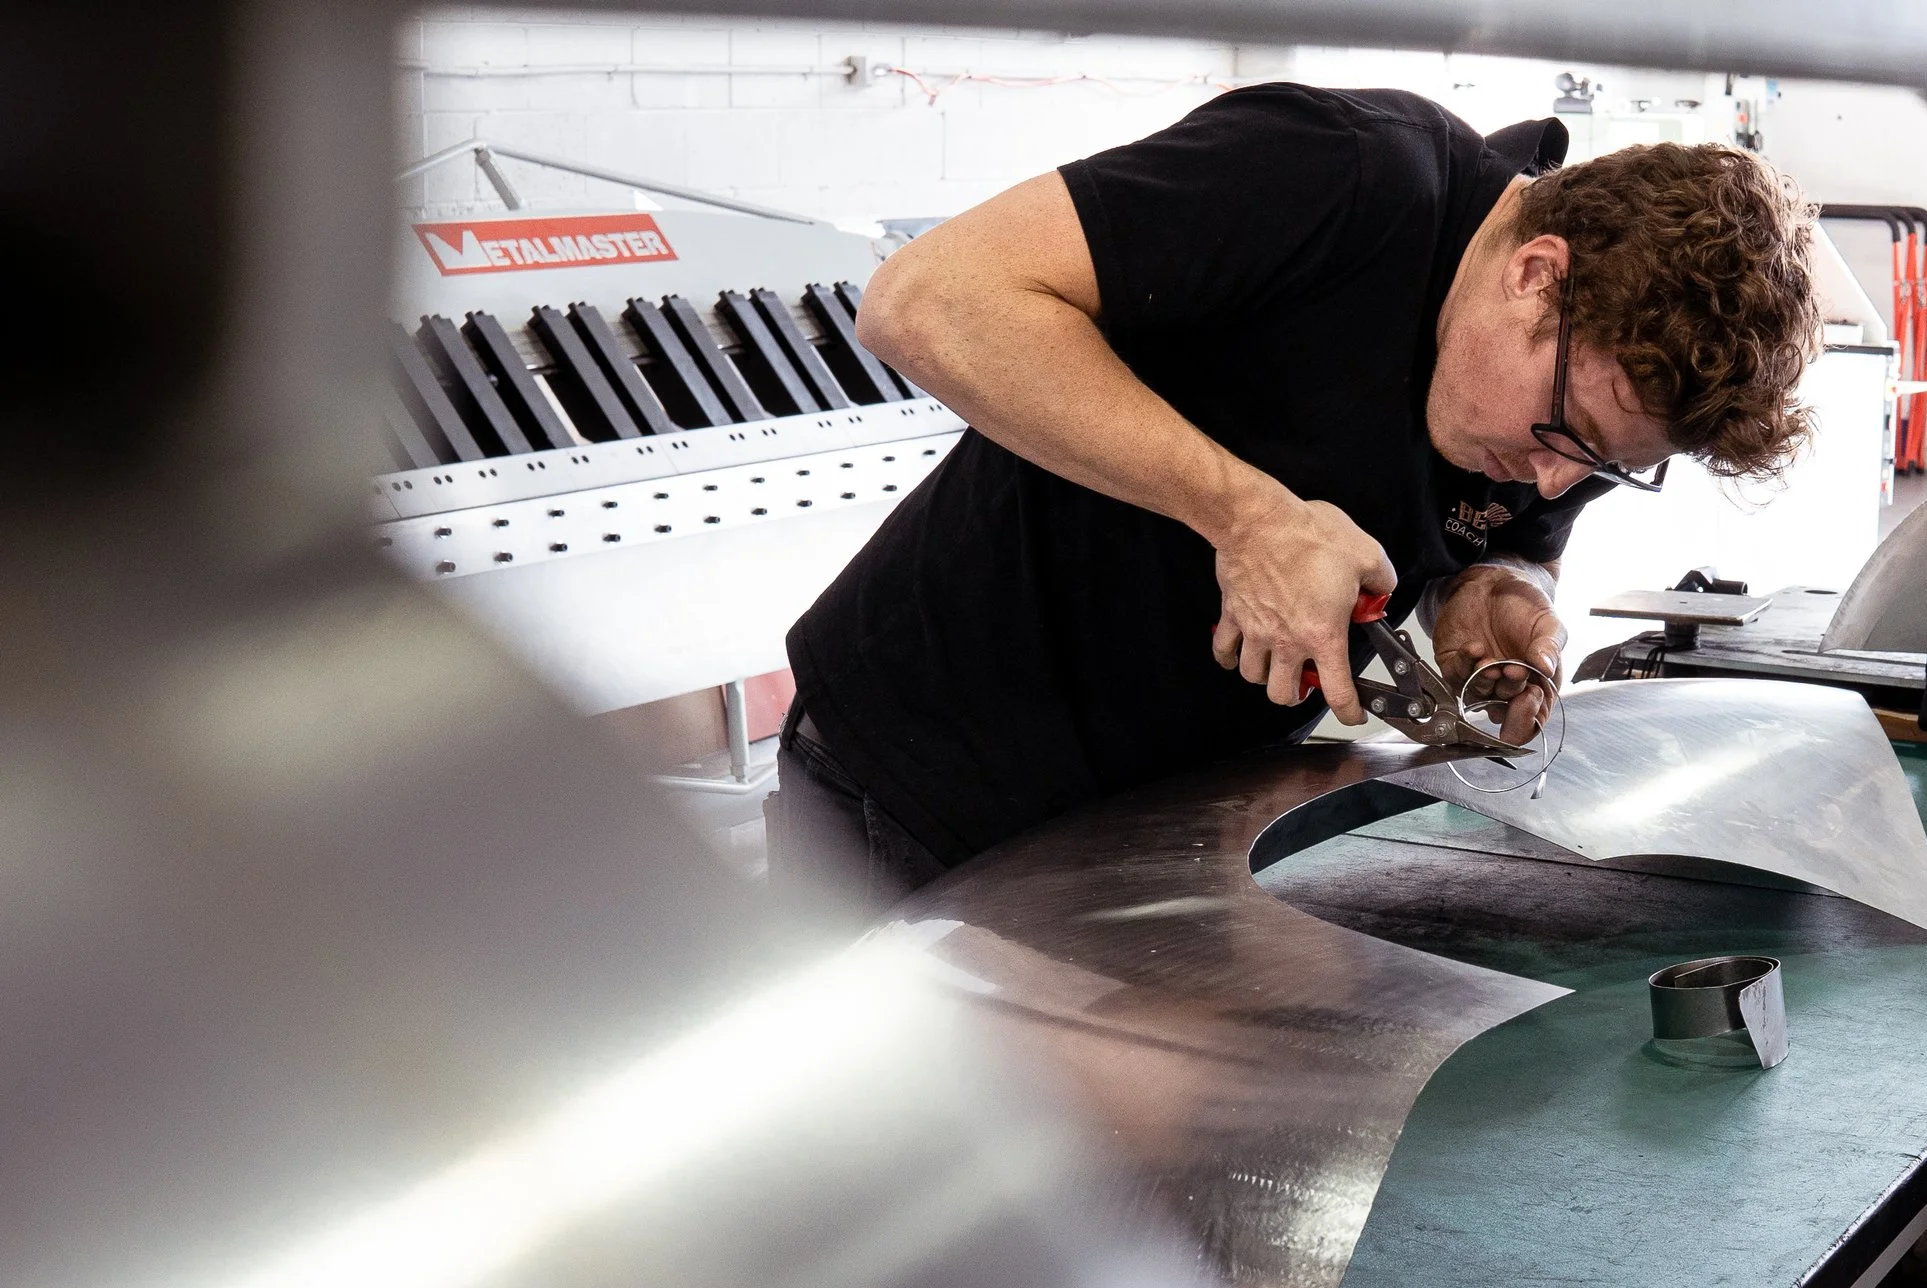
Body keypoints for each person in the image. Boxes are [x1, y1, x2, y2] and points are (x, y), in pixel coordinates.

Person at [770, 82, 1820, 909]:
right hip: (925, 771)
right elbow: (928, 298)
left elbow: (1509, 540)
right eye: (1565, 437)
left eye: (1604, 467)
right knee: (881, 1166)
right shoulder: (1341, 173)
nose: (1556, 479)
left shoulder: (1558, 407)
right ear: (1535, 273)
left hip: (1154, 820)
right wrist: (1245, 514)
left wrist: (1491, 595)